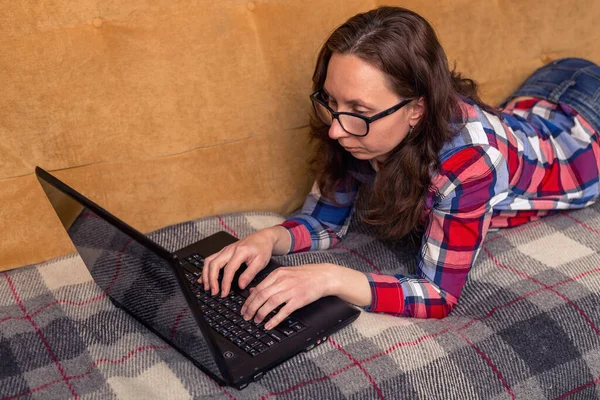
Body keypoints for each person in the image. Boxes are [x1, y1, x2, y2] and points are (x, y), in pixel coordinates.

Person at [199, 6, 600, 326]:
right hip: (547, 88)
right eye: (331, 101)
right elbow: (322, 222)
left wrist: (330, 278)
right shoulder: (355, 130)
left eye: (358, 110)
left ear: (416, 109)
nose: (336, 130)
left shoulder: (469, 164)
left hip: (587, 130)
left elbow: (439, 294)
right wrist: (265, 240)